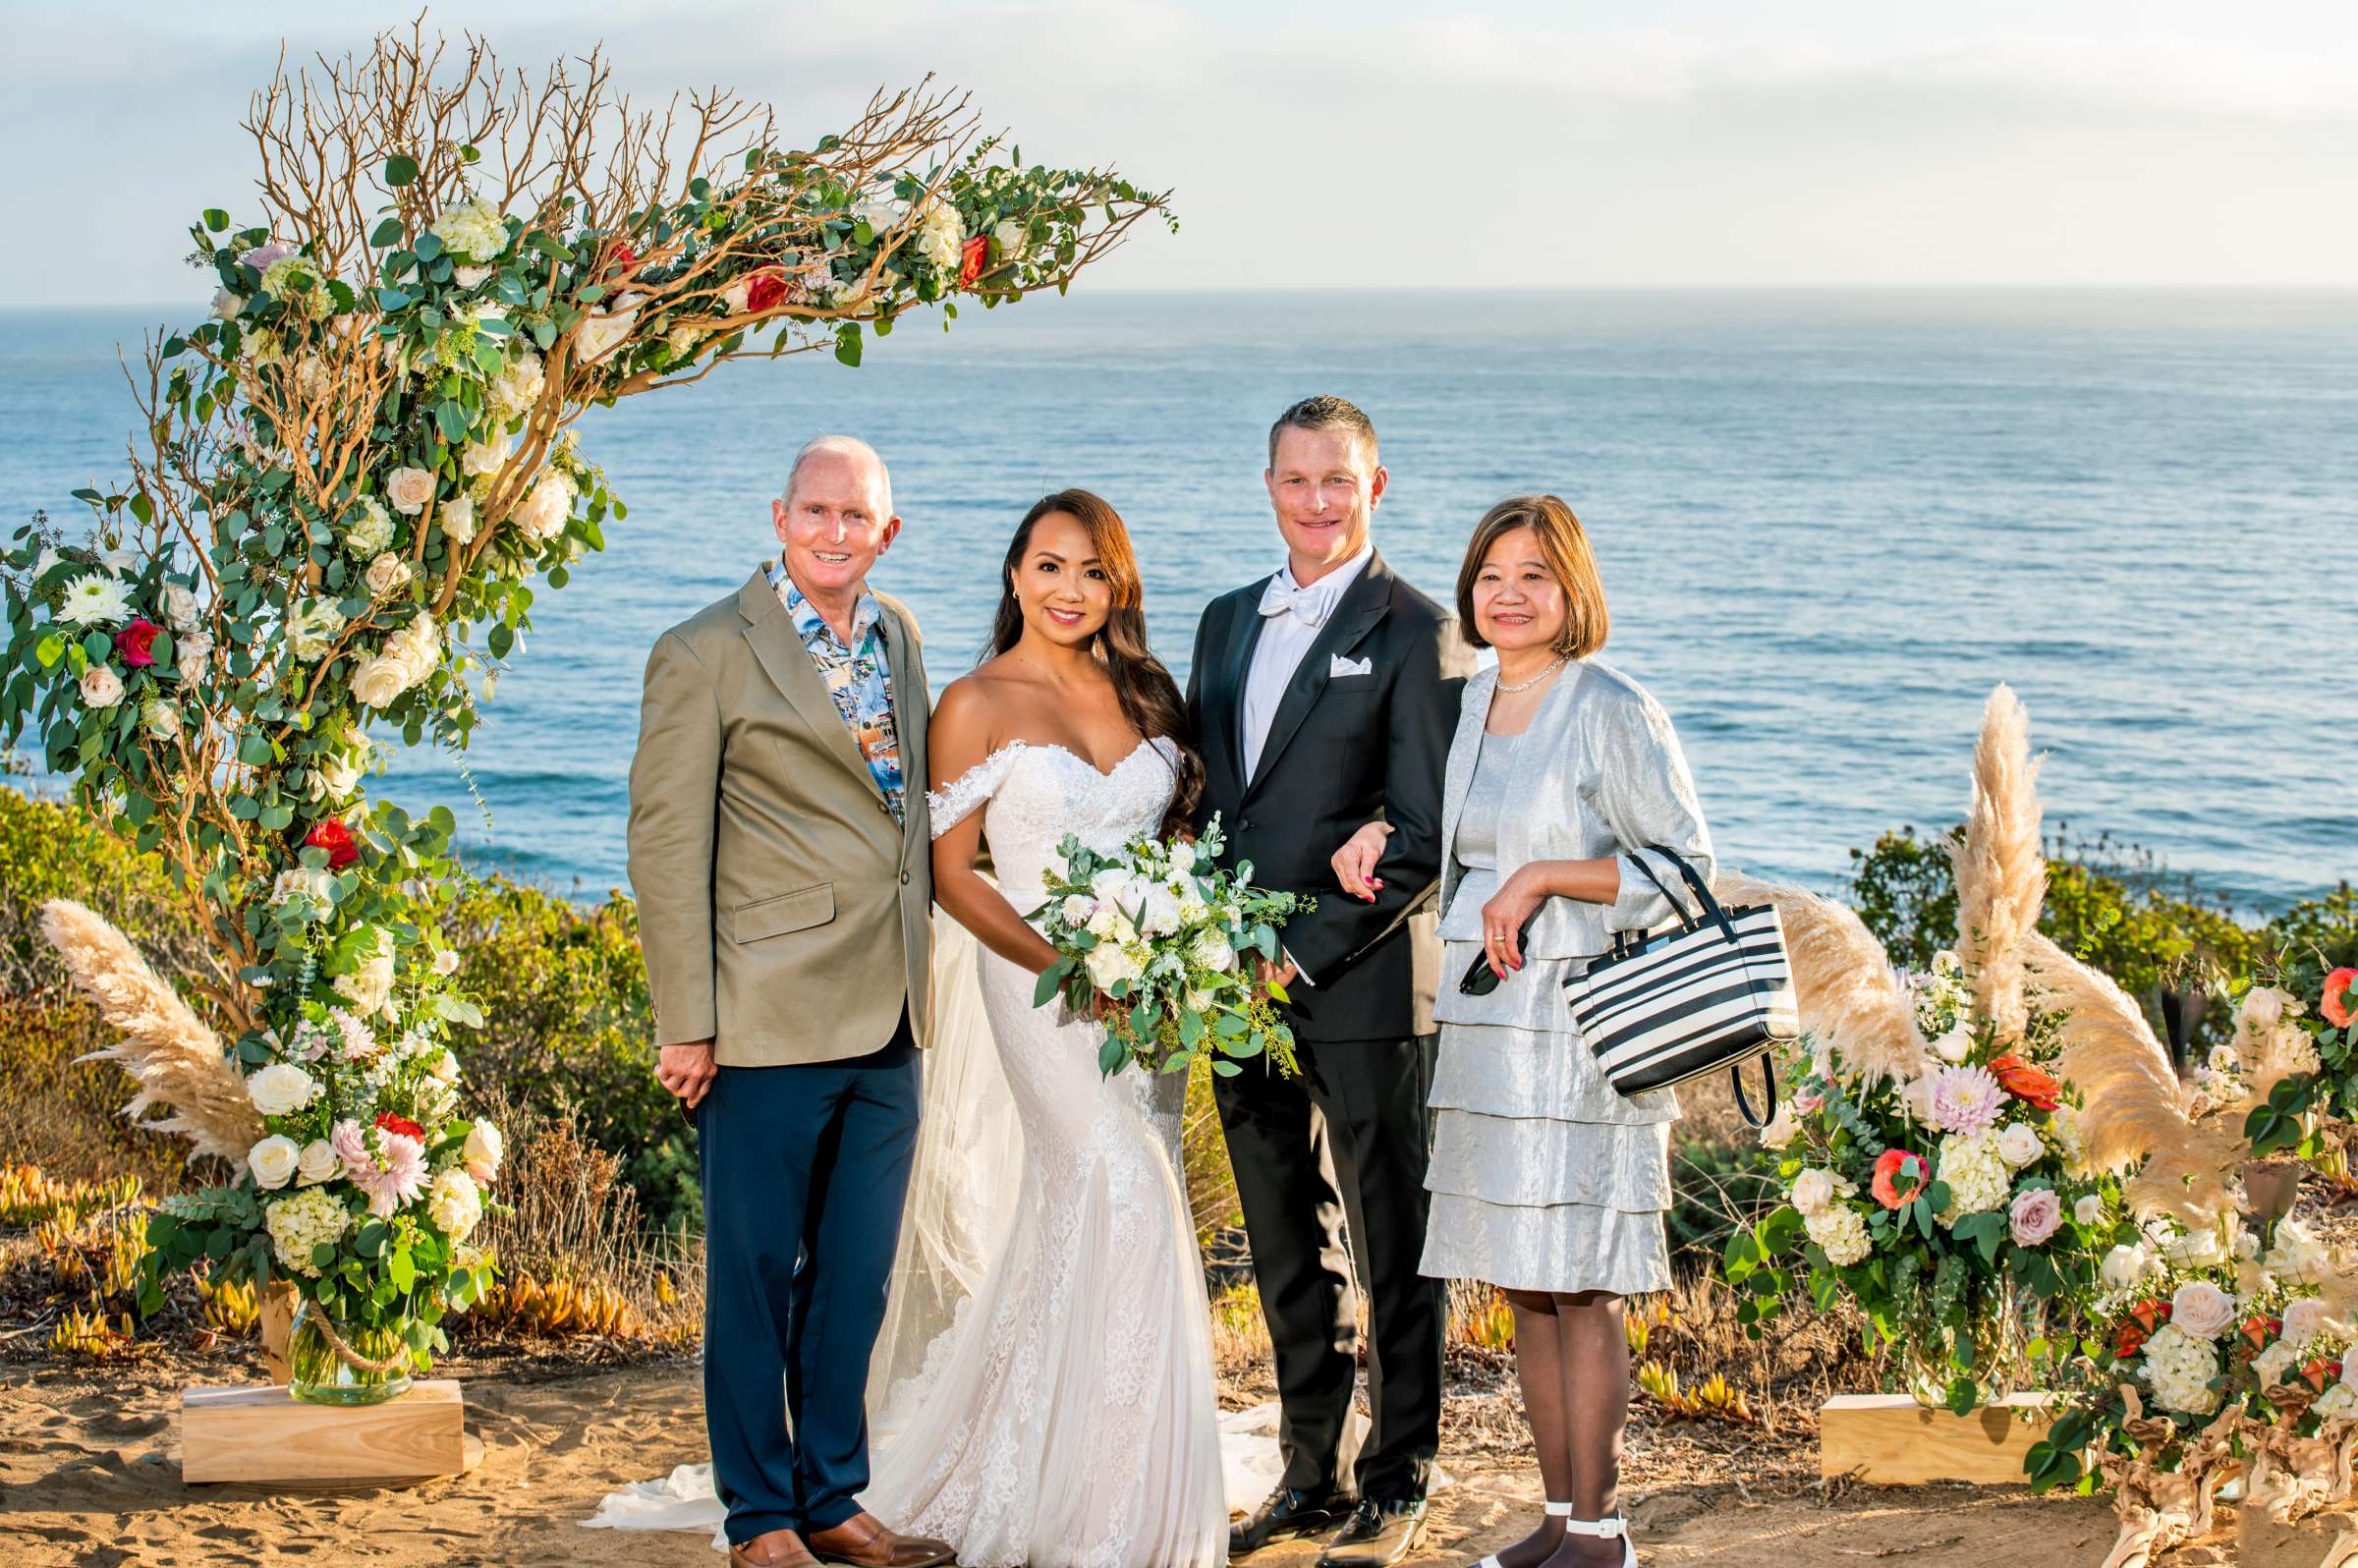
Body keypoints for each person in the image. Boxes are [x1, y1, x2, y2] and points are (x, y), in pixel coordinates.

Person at [1327, 495, 1714, 1568]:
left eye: (1533, 575)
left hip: (1582, 1030)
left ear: (1572, 590)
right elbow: (1442, 837)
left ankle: (1604, 1531)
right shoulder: (1473, 704)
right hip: (1488, 1026)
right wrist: (1376, 833)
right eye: (1492, 574)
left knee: (1580, 1279)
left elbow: (1686, 873)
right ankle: (1558, 1520)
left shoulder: (1611, 707)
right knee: (1527, 1281)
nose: (1508, 593)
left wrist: (1545, 875)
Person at [862, 489, 1229, 1567]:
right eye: (1050, 566)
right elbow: (950, 874)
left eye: (1094, 572)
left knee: (1109, 1204)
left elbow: (1181, 844)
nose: (1071, 591)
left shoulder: (1148, 693)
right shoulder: (977, 702)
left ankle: (1100, 1459)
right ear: (1016, 572)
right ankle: (1103, 1503)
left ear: (1119, 587)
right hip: (1038, 989)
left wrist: (1176, 953)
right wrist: (1071, 967)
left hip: (1150, 997)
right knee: (1120, 1186)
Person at [627, 435, 953, 1568]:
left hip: (892, 1016)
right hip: (763, 1017)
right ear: (778, 516)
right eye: (815, 510)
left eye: (855, 516)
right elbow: (667, 847)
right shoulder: (705, 651)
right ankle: (759, 1518)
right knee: (757, 1282)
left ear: (886, 532)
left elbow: (901, 815)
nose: (833, 531)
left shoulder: (900, 632)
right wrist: (687, 1017)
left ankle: (832, 1497)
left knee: (854, 1282)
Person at [1186, 396, 1472, 1568]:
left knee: (1391, 1233)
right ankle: (1310, 1471)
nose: (1316, 502)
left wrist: (1299, 945)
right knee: (1283, 1238)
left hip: (1356, 985)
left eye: (1337, 482)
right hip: (1228, 987)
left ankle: (1399, 1474)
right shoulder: (1222, 622)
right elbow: (1211, 798)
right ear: (1268, 486)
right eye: (1297, 481)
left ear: (1376, 486)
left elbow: (1423, 828)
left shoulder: (1420, 631)